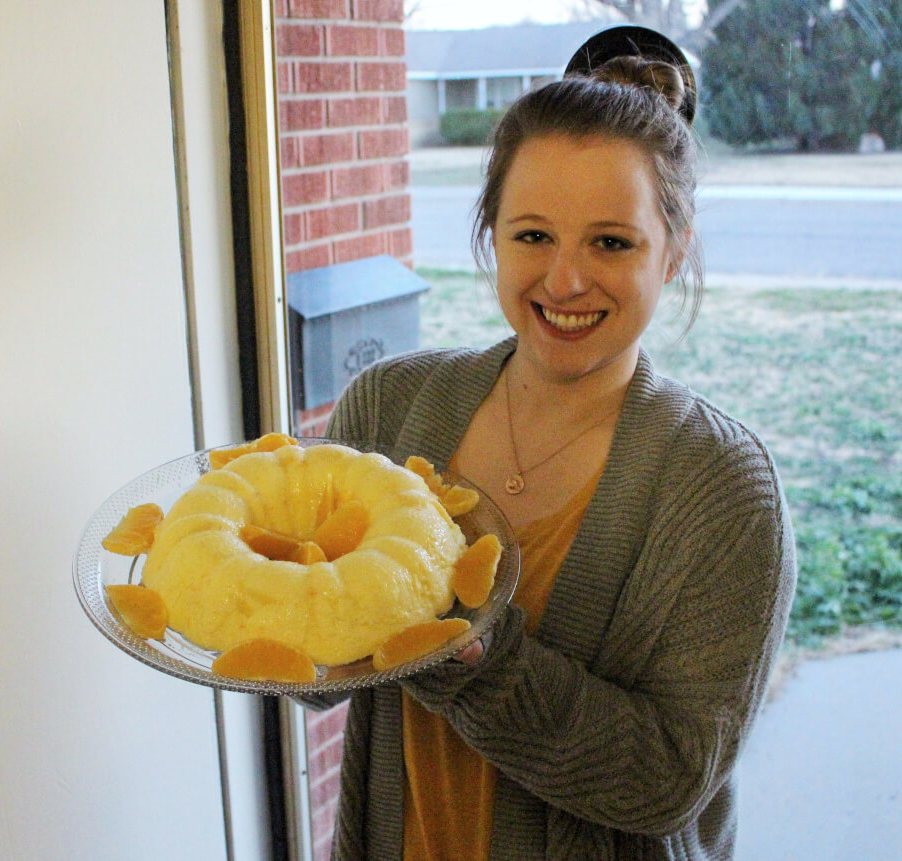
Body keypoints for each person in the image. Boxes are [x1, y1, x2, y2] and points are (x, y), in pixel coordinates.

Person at [312, 25, 797, 861]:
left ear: (673, 251)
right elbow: (314, 673)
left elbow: (670, 778)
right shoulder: (387, 408)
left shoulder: (721, 486)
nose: (565, 280)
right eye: (532, 234)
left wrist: (480, 664)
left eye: (612, 242)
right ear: (490, 233)